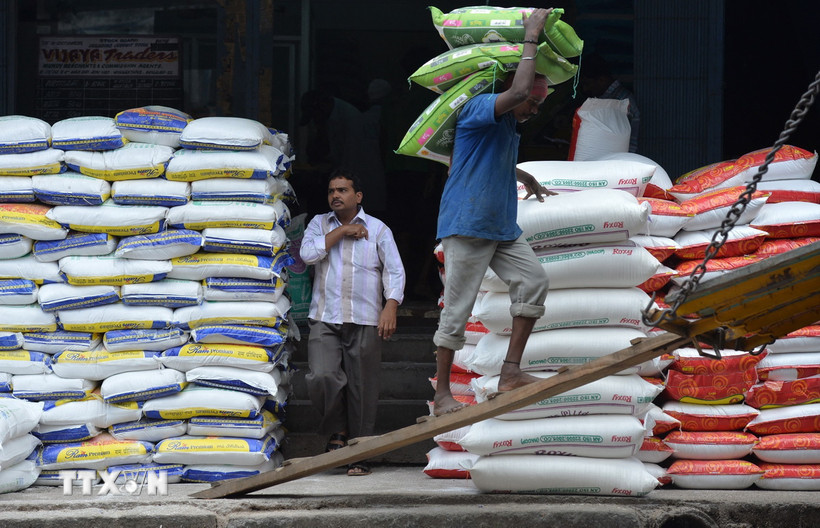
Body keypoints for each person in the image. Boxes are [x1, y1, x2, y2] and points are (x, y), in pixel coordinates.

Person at [432, 8, 557, 416]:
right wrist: (532, 35)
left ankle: (510, 372)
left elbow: (489, 159)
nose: (533, 110)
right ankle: (443, 395)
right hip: (467, 224)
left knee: (534, 281)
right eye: (533, 103)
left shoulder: (507, 127)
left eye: (538, 104)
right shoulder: (480, 108)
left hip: (502, 225)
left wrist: (524, 177)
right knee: (457, 309)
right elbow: (518, 94)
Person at [300, 169, 406, 476]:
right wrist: (343, 232)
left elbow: (394, 271)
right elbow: (306, 254)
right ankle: (338, 430)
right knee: (322, 377)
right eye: (332, 190)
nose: (335, 195)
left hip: (365, 317)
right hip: (325, 317)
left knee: (363, 386)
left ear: (357, 197)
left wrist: (391, 306)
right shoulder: (319, 224)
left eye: (343, 190)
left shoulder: (379, 229)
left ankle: (360, 450)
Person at [578, 52, 641, 153]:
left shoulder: (621, 101)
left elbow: (631, 143)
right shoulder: (605, 99)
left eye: (587, 83)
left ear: (602, 80)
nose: (585, 89)